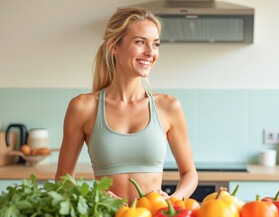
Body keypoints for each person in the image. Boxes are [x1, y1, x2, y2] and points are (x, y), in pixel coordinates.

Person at [55, 7, 198, 205]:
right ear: (114, 46)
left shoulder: (168, 106)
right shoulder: (82, 107)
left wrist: (172, 201)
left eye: (155, 44)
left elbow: (190, 173)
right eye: (140, 42)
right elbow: (63, 179)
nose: (150, 53)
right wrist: (90, 196)